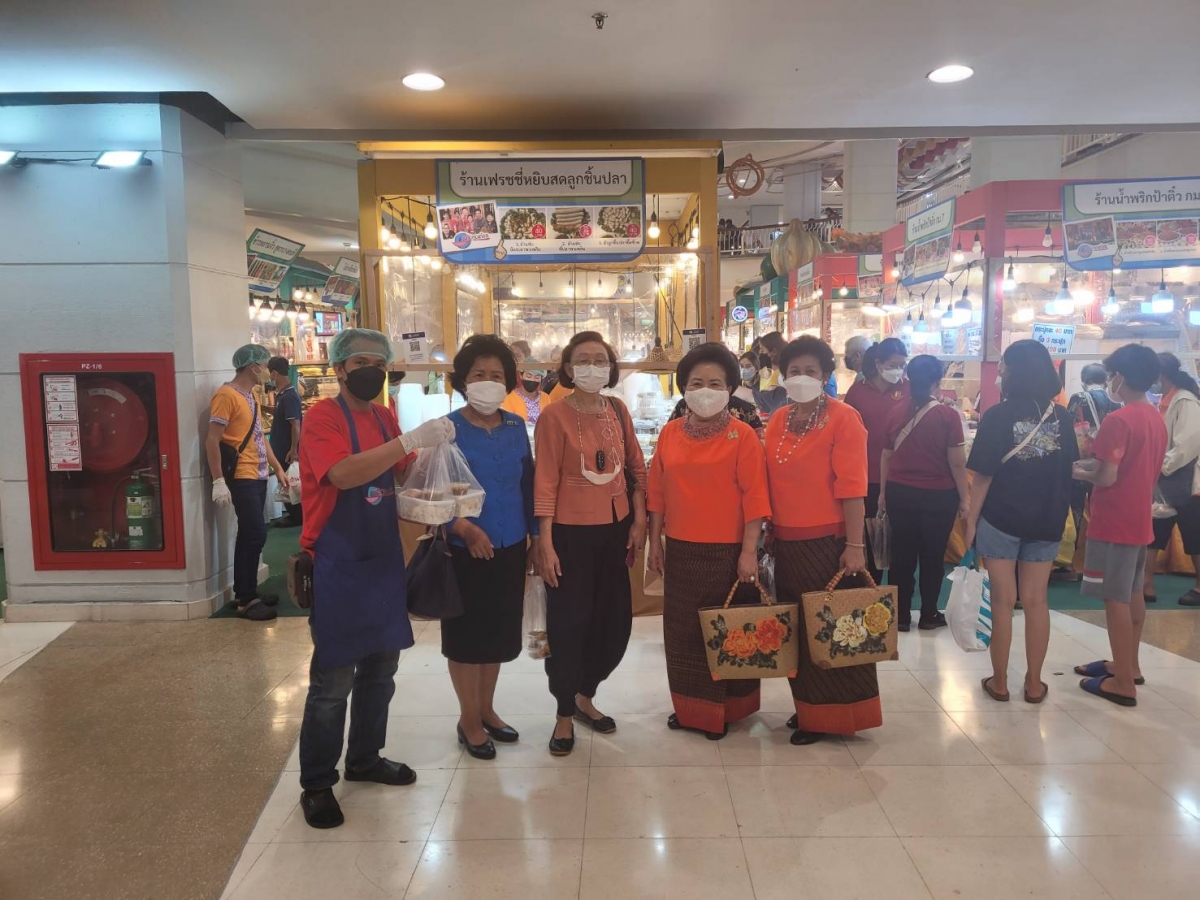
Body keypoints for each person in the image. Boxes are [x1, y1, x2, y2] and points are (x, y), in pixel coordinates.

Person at [295, 328, 455, 829]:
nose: (371, 371)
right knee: (333, 680)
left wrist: (437, 462)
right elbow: (342, 474)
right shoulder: (322, 419)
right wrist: (408, 441)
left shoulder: (383, 417)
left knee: (381, 671)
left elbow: (404, 474)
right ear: (339, 368)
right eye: (360, 362)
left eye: (378, 364)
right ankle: (317, 782)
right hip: (337, 561)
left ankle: (364, 758)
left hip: (382, 558)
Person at [648, 344, 771, 739]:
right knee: (683, 636)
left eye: (715, 383)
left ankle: (726, 711)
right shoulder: (669, 434)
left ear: (730, 389)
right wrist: (655, 543)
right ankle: (692, 710)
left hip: (728, 553)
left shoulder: (743, 436)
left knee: (728, 633)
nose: (705, 390)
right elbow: (656, 494)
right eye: (696, 382)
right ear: (684, 387)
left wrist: (749, 552)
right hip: (681, 550)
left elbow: (756, 499)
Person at [534, 331, 648, 756]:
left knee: (613, 624)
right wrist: (545, 542)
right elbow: (545, 481)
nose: (592, 367)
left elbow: (636, 467)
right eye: (582, 360)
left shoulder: (617, 410)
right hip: (569, 535)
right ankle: (564, 712)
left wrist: (639, 518)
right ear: (568, 368)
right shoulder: (554, 416)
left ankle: (586, 695)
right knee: (569, 626)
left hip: (615, 532)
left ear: (611, 367)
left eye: (600, 359)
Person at [765, 336, 879, 744]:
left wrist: (855, 546)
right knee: (799, 633)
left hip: (828, 545)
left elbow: (853, 488)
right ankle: (809, 708)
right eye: (793, 371)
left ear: (826, 375)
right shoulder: (779, 419)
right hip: (786, 544)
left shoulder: (844, 418)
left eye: (810, 371)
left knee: (832, 632)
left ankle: (833, 717)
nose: (801, 378)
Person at [965, 339, 1077, 704]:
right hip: (1047, 519)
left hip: (1001, 518)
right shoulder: (1062, 418)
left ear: (1015, 371)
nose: (1000, 373)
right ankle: (1034, 683)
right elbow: (1070, 470)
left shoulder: (998, 415)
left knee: (1003, 601)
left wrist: (970, 523)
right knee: (1036, 600)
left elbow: (983, 476)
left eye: (1003, 366)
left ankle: (999, 682)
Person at [445, 336, 538, 759]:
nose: (488, 381)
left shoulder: (516, 427)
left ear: (508, 381)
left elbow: (528, 485)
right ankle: (468, 719)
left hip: (511, 544)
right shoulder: (448, 429)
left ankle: (487, 709)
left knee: (497, 634)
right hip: (465, 549)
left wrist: (534, 538)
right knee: (467, 638)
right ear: (463, 380)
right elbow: (433, 492)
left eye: (496, 375)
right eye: (479, 374)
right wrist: (463, 527)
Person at [1071, 345, 1167, 706]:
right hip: (1139, 517)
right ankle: (1129, 665)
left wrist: (1078, 471)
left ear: (1120, 377)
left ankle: (1123, 682)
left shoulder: (1118, 420)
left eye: (1112, 374)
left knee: (1115, 598)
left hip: (1114, 519)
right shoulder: (1154, 416)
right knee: (1133, 592)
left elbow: (1107, 476)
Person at [878, 355, 968, 631]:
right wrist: (965, 497)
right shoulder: (948, 416)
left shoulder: (894, 412)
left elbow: (886, 456)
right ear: (936, 382)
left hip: (899, 493)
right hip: (938, 496)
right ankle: (929, 613)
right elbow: (957, 462)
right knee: (932, 555)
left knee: (901, 556)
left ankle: (901, 616)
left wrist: (882, 493)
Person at [206, 344, 290, 621]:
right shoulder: (226, 395)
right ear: (252, 366)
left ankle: (248, 589)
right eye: (264, 365)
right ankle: (245, 598)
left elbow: (259, 436)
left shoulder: (250, 395)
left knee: (254, 533)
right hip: (241, 475)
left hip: (258, 473)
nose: (267, 370)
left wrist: (277, 467)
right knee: (253, 533)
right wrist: (218, 480)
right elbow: (212, 440)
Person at [845, 338, 909, 582]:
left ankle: (896, 595)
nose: (898, 370)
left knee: (899, 543)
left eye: (902, 365)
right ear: (878, 363)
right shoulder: (858, 392)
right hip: (866, 475)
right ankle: (868, 588)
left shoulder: (908, 388)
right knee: (871, 539)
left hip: (900, 476)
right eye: (893, 365)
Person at [1142, 353, 1200, 606]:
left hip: (1188, 482)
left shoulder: (1185, 401)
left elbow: (1187, 444)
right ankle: (1146, 583)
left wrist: (1161, 466)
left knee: (1194, 535)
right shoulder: (1166, 402)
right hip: (1167, 480)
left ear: (1160, 375)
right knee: (1154, 531)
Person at [1067, 363, 1119, 534]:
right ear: (1105, 381)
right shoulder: (1116, 401)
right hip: (1106, 461)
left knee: (1077, 504)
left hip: (1081, 460)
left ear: (1084, 381)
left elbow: (1067, 427)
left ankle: (1078, 539)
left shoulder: (1079, 398)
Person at [267, 356, 304, 527]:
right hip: (282, 448)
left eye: (269, 373)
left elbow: (295, 424)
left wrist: (293, 449)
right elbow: (281, 415)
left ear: (274, 373)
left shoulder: (289, 396)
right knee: (287, 481)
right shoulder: (283, 395)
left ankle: (297, 516)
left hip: (286, 450)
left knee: (290, 481)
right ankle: (295, 515)